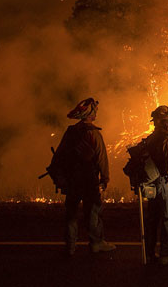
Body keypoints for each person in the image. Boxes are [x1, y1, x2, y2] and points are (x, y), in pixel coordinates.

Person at [56, 98, 115, 256]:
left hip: (72, 180)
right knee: (93, 211)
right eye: (94, 110)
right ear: (90, 113)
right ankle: (96, 243)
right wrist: (105, 178)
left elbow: (60, 155)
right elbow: (102, 158)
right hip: (89, 180)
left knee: (71, 213)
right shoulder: (94, 133)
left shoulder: (70, 132)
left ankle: (70, 245)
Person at [143, 105, 168, 264]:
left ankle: (150, 253)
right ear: (166, 122)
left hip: (150, 184)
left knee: (152, 217)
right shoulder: (166, 138)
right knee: (167, 216)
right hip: (163, 184)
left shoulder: (151, 138)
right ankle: (165, 254)